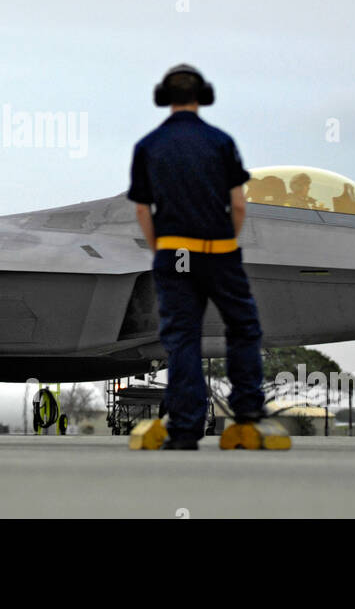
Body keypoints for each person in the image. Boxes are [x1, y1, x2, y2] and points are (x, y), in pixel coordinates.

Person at [127, 64, 265, 450]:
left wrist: (163, 249)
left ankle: (185, 430)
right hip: (219, 254)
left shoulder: (148, 146)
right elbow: (238, 204)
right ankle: (248, 420)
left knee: (181, 338)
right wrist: (224, 244)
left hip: (176, 255)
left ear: (163, 97)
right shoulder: (221, 142)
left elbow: (142, 211)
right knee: (243, 329)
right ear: (203, 95)